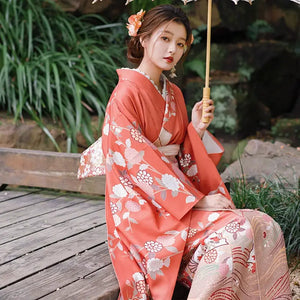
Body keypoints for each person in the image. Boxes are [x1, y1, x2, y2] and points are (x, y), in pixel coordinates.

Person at [78, 5, 291, 300]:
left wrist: (195, 130)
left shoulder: (174, 93)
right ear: (143, 38)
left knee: (266, 225)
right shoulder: (125, 94)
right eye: (165, 39)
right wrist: (198, 201)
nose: (172, 49)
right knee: (235, 231)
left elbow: (179, 151)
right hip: (143, 210)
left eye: (180, 43)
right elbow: (135, 160)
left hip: (176, 200)